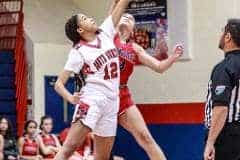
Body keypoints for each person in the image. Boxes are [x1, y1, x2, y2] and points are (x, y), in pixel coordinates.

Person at [54, 0, 131, 159]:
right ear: (80, 29)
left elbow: (122, 3)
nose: (90, 18)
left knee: (102, 156)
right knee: (68, 148)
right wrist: (70, 97)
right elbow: (58, 84)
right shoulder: (78, 51)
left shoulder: (105, 32)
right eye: (84, 19)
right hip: (92, 100)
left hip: (112, 101)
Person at [108, 2, 183, 159]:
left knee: (145, 137)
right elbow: (113, 11)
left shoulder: (135, 48)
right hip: (103, 94)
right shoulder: (108, 37)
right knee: (87, 142)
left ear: (133, 29)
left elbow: (159, 67)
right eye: (124, 16)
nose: (126, 17)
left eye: (130, 18)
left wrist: (173, 58)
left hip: (122, 95)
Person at [204, 19, 240, 160]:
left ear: (228, 37)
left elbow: (221, 109)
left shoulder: (224, 68)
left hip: (226, 136)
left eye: (222, 31)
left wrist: (210, 142)